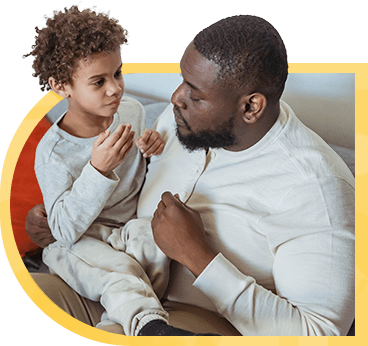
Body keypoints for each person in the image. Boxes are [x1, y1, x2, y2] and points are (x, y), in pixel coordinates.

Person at [26, 14, 355, 336]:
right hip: (118, 271)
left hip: (200, 317)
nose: (175, 99)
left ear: (251, 107)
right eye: (182, 81)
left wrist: (199, 256)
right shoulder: (179, 122)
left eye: (195, 95)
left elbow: (319, 333)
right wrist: (56, 216)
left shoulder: (316, 189)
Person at [23, 4, 219, 337]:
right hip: (79, 241)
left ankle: (129, 305)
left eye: (118, 73)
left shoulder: (130, 111)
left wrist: (150, 150)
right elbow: (63, 229)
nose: (115, 88)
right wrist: (97, 170)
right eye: (98, 82)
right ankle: (150, 327)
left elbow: (139, 179)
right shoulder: (54, 152)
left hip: (127, 231)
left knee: (156, 236)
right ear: (61, 86)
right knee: (118, 270)